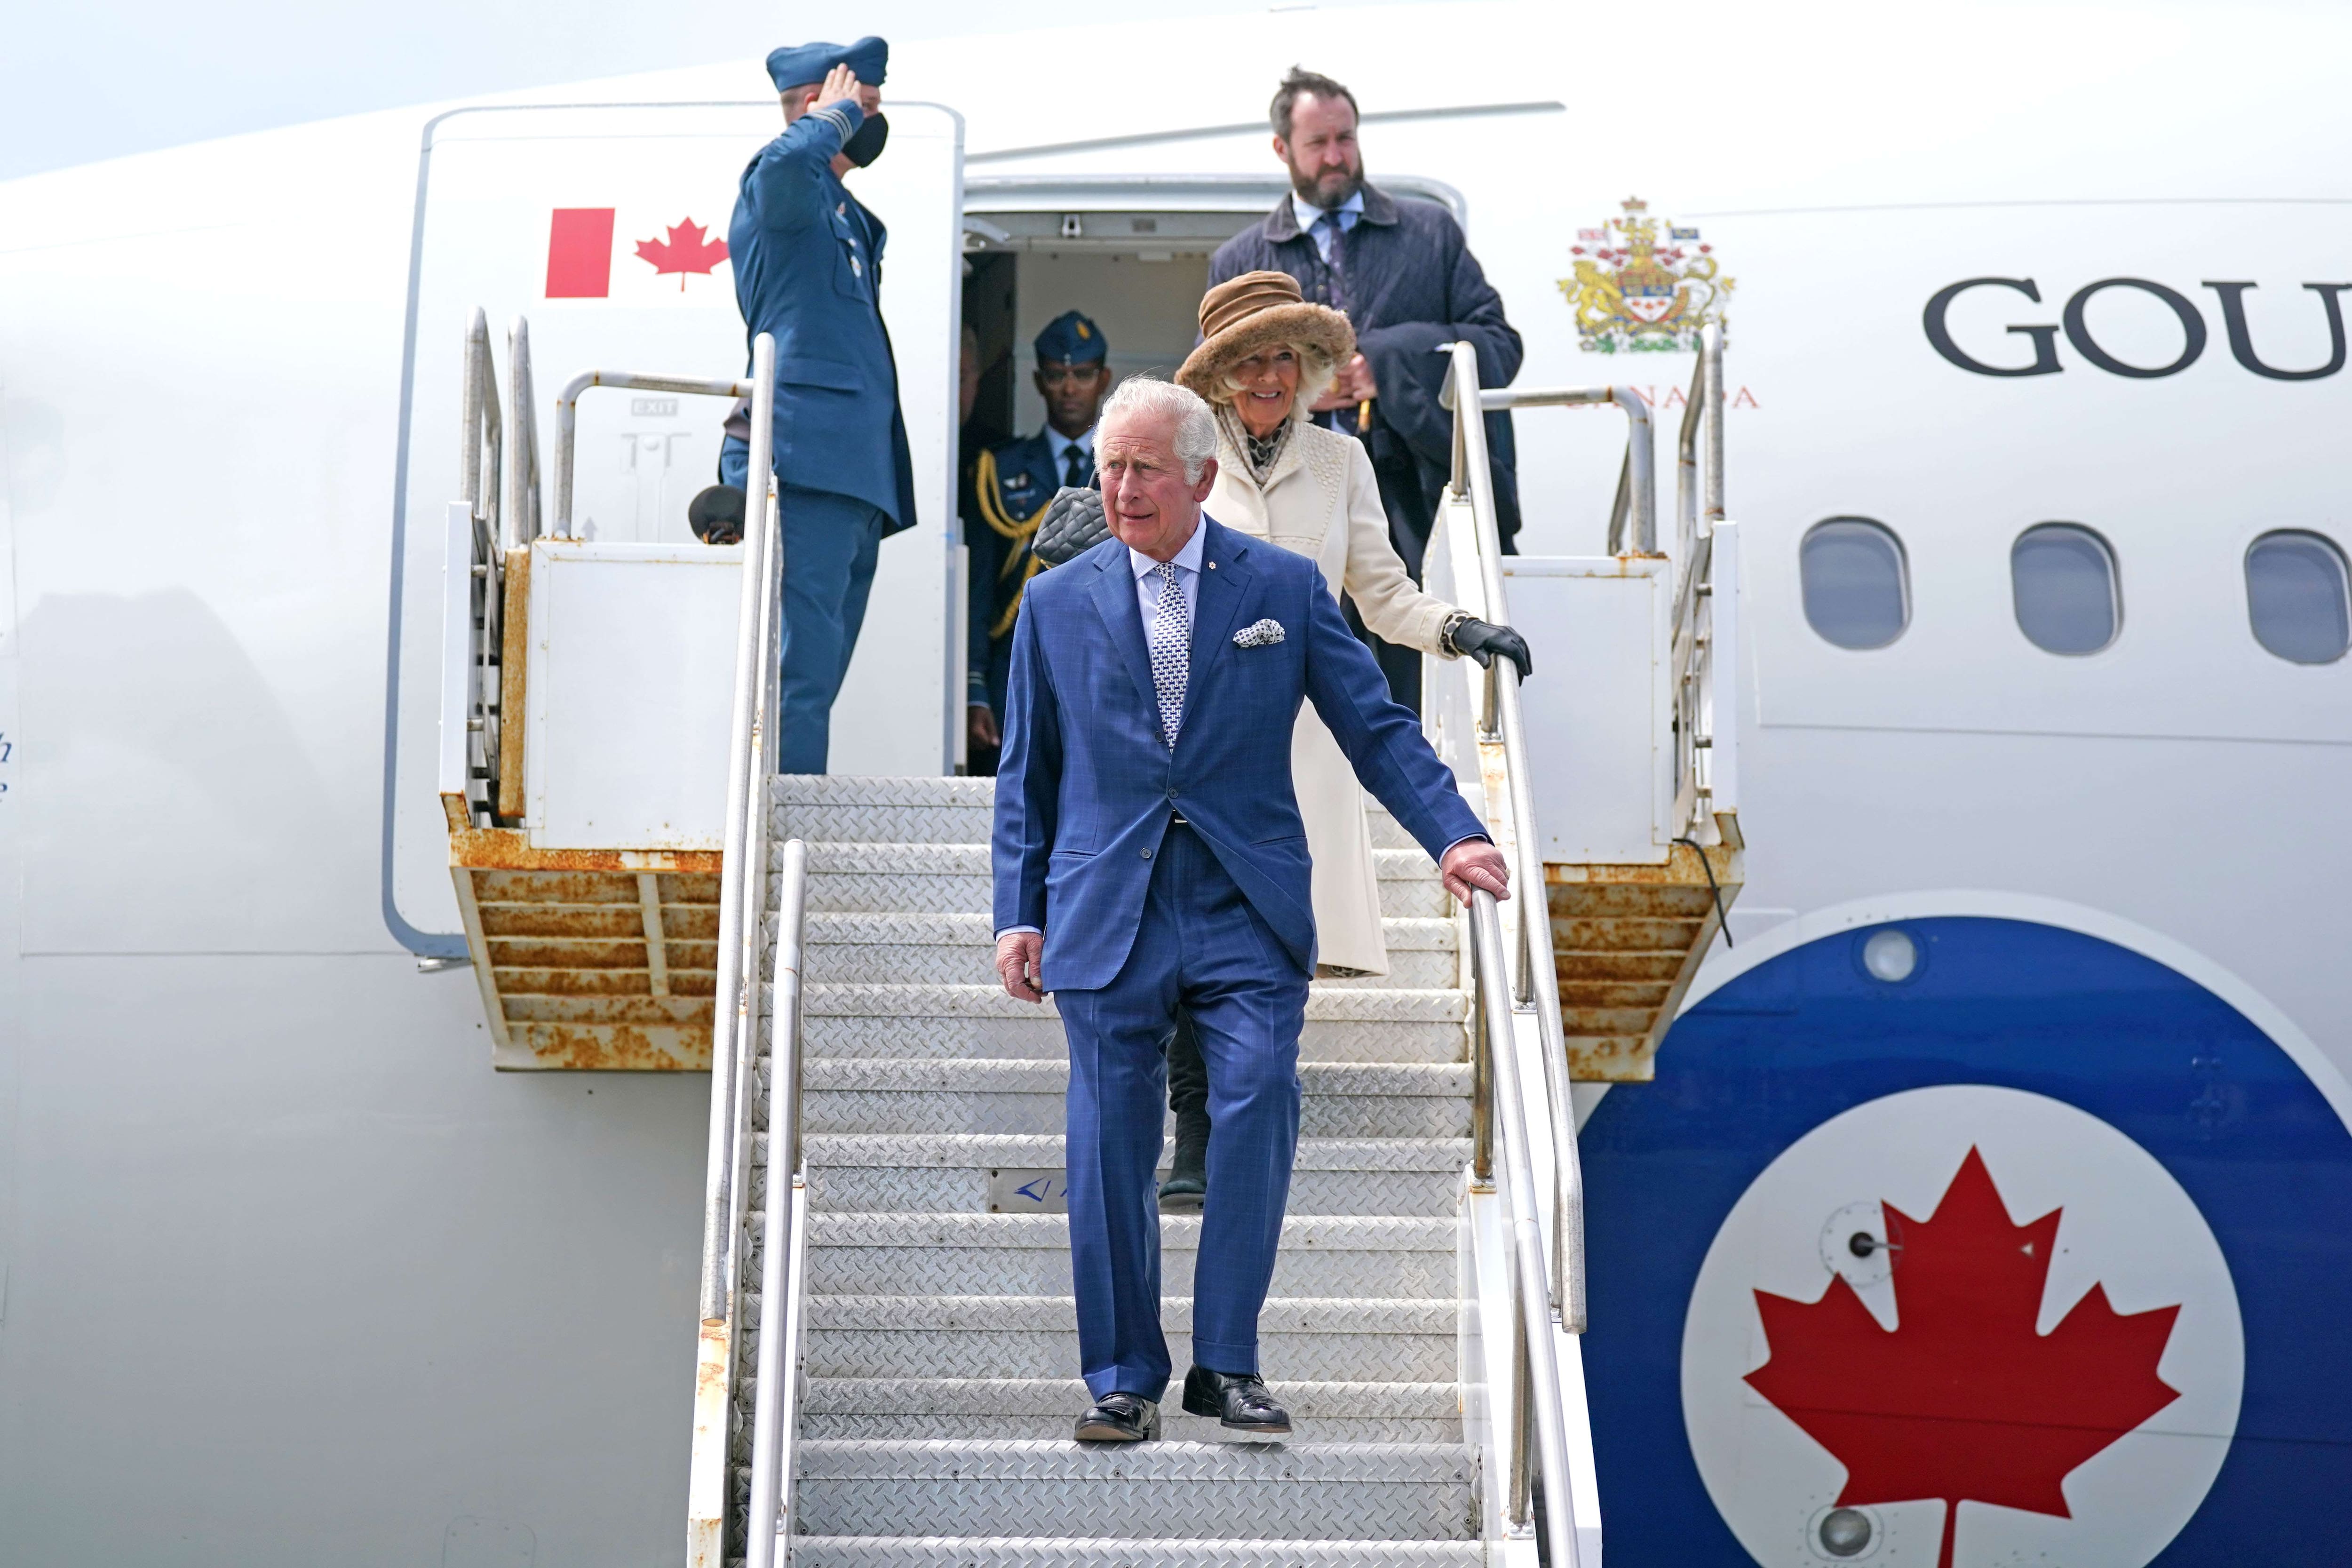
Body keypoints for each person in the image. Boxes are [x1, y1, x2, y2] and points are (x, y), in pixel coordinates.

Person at [990, 376, 1511, 1443]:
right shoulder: (1055, 603)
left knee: (1259, 1097)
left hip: (1244, 900)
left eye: (1142, 469)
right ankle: (1123, 1375)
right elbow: (1025, 779)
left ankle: (1227, 1364)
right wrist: (1019, 911)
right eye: (1109, 469)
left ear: (1199, 477)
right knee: (1107, 1142)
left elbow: (1374, 726)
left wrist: (1453, 832)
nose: (1121, 489)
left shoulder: (1278, 585)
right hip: (1105, 907)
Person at [1145, 270, 1533, 1208]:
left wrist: (1458, 630)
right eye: (1250, 360)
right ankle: (1194, 1129)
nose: (1270, 375)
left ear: (1311, 366)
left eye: (1286, 356)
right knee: (1191, 934)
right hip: (1192, 732)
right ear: (1219, 375)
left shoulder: (1338, 464)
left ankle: (1255, 1107)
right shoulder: (1180, 458)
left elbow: (1381, 591)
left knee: (1277, 943)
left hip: (1304, 740)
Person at [1208, 66, 1526, 712]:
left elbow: (1502, 347)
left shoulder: (1430, 234)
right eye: (1318, 143)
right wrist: (1292, 389)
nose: (1336, 157)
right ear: (1282, 151)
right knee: (1295, 690)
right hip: (1289, 509)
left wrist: (1386, 365)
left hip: (1418, 502)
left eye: (1346, 139)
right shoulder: (1240, 261)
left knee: (1416, 693)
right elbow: (1215, 387)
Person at [718, 37, 918, 773]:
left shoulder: (845, 215)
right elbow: (780, 165)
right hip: (804, 468)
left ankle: (793, 809)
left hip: (855, 478)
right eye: (862, 108)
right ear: (817, 106)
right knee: (792, 680)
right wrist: (829, 120)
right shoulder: (787, 191)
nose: (870, 122)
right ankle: (781, 837)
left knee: (816, 679)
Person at [966, 311, 1115, 771]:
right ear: (1038, 381)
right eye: (1056, 375)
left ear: (1103, 379)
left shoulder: (1127, 470)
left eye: (1082, 375)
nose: (1069, 388)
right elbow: (977, 589)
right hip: (1013, 665)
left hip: (1105, 661)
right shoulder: (998, 469)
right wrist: (973, 688)